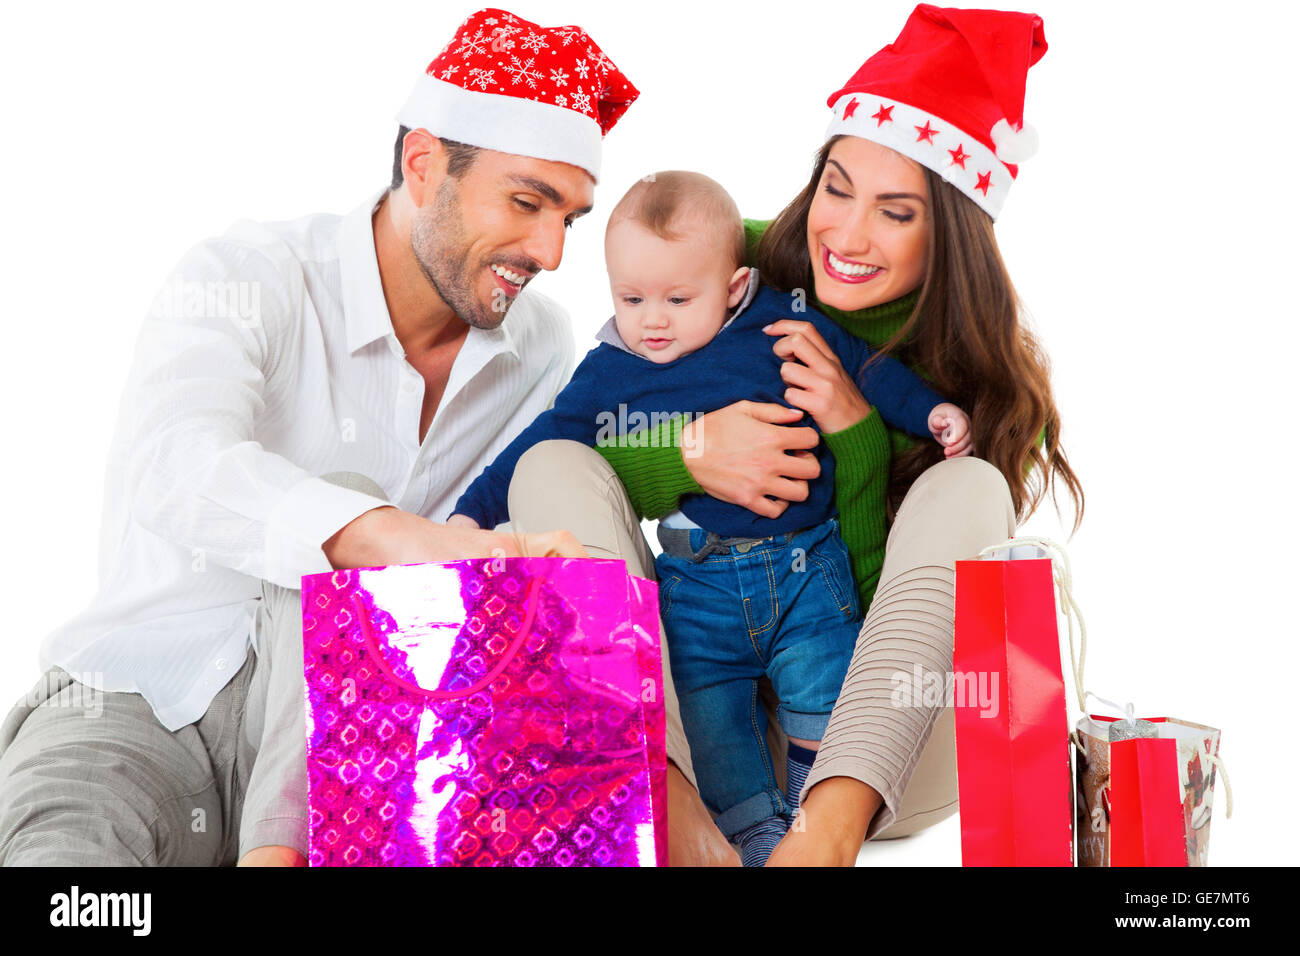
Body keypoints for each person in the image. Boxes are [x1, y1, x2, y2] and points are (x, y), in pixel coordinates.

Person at [0, 8, 634, 866]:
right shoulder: (248, 277)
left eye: (571, 218)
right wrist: (381, 536)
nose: (552, 251)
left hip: (356, 748)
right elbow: (174, 462)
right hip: (138, 702)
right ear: (423, 165)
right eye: (527, 203)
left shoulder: (538, 346)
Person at [506, 4, 1083, 865]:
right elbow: (592, 431)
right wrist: (690, 455)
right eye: (836, 189)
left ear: (953, 231)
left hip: (882, 746)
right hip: (692, 715)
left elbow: (893, 619)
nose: (844, 235)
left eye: (896, 212)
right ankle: (673, 820)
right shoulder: (722, 269)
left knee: (970, 486)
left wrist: (856, 438)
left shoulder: (983, 392)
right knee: (548, 461)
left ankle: (821, 844)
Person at [448, 169, 971, 865]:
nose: (652, 320)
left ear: (733, 289)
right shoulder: (612, 370)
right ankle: (749, 840)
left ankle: (817, 822)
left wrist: (926, 412)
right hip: (696, 589)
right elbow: (541, 442)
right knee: (713, 719)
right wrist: (468, 514)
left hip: (805, 568)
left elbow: (868, 369)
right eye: (630, 298)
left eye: (676, 298)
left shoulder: (775, 328)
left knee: (825, 683)